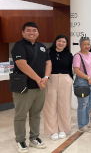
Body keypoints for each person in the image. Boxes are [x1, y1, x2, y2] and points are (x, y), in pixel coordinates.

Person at [11, 22, 51, 152]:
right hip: (24, 87)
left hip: (40, 87)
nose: (31, 32)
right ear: (23, 32)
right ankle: (20, 141)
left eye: (34, 30)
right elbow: (22, 64)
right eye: (28, 30)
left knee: (36, 114)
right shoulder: (19, 46)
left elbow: (48, 63)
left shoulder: (42, 46)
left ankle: (34, 138)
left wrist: (45, 78)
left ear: (38, 33)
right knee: (20, 115)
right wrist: (39, 79)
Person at [43, 35, 73, 141]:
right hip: (51, 79)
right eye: (59, 41)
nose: (61, 43)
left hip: (65, 79)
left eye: (64, 42)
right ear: (55, 41)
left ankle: (63, 129)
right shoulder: (48, 52)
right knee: (50, 106)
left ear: (66, 44)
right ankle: (53, 130)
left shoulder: (69, 55)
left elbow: (70, 69)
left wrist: (70, 80)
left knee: (64, 105)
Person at [73, 37, 91, 133]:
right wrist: (88, 78)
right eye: (85, 44)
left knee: (90, 103)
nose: (87, 46)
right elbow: (76, 71)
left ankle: (86, 123)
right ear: (80, 45)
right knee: (83, 104)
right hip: (82, 81)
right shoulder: (77, 56)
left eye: (88, 44)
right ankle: (82, 125)